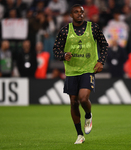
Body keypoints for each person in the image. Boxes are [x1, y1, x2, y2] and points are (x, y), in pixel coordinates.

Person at [53, 4, 108, 144]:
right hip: (72, 71)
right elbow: (56, 49)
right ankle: (79, 135)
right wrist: (63, 55)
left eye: (82, 12)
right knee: (73, 102)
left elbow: (104, 45)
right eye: (76, 12)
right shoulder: (65, 31)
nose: (79, 14)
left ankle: (88, 115)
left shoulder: (93, 28)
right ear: (71, 15)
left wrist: (101, 61)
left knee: (83, 98)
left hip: (88, 69)